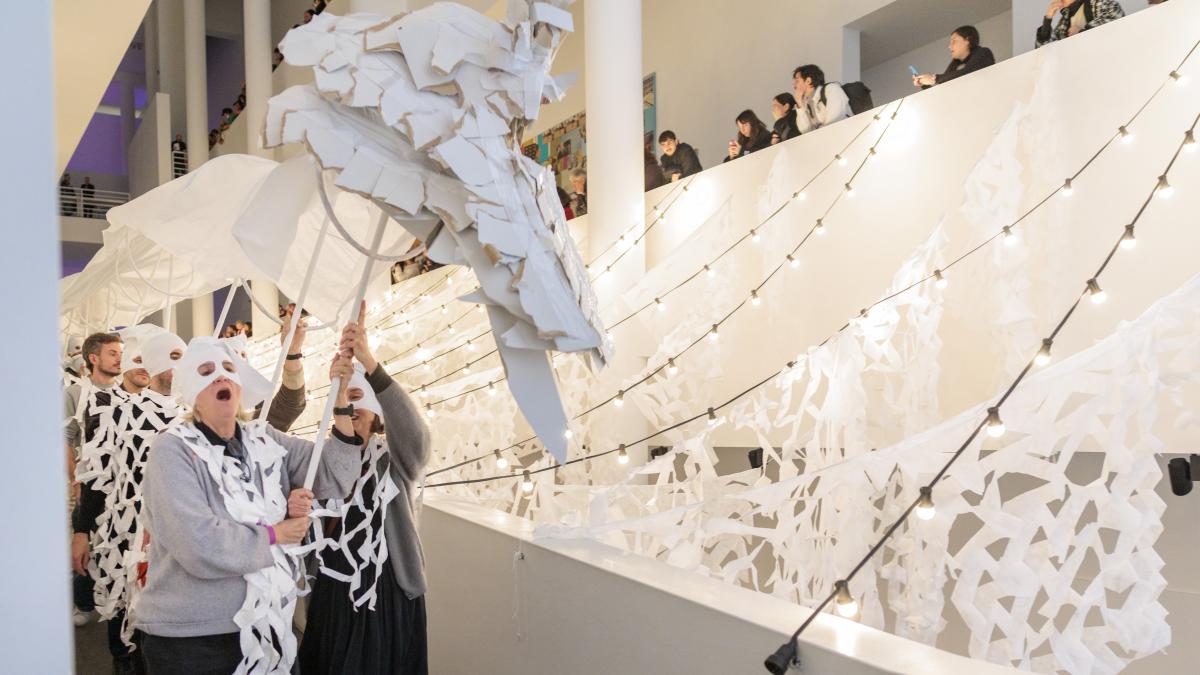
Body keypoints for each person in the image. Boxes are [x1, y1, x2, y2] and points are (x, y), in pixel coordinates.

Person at [135, 337, 361, 674]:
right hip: (195, 640)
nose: (221, 377)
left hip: (269, 628)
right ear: (191, 391)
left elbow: (334, 475)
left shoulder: (265, 439)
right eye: (207, 371)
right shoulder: (172, 450)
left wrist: (341, 400)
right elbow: (198, 543)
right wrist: (275, 533)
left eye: (228, 369)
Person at [298, 305, 432, 675]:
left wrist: (369, 362)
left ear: (377, 414)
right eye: (346, 401)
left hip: (388, 592)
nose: (354, 409)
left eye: (361, 401)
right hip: (333, 590)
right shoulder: (319, 459)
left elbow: (418, 438)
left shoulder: (395, 460)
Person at [914, 26, 996, 88]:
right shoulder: (956, 63)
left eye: (954, 41)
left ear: (967, 40)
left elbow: (968, 72)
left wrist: (933, 79)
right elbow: (943, 86)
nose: (950, 46)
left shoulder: (984, 52)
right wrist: (924, 83)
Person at [1036, 0, 1125, 48]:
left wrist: (1082, 32)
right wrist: (1048, 18)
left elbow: (1117, 18)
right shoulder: (1064, 22)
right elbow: (1043, 50)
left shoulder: (1097, 2)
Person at [793, 64, 851, 133]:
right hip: (828, 139)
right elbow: (805, 131)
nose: (793, 85)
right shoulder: (806, 103)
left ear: (808, 81)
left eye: (797, 81)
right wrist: (800, 105)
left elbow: (834, 122)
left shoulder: (831, 89)